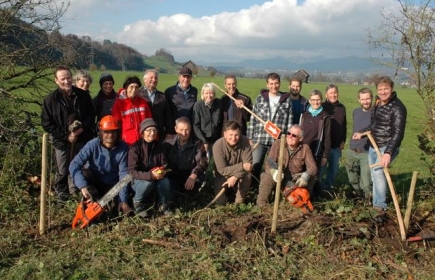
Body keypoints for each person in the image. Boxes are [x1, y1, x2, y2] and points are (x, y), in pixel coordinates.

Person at [353, 76, 407, 215]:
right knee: (374, 174)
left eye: (386, 89)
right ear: (377, 90)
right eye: (380, 89)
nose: (383, 92)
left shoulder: (398, 108)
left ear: (392, 89)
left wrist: (388, 153)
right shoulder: (378, 104)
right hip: (373, 145)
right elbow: (374, 125)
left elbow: (398, 133)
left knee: (378, 172)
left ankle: (380, 205)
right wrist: (361, 132)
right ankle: (378, 201)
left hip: (386, 146)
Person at [41, 65, 96, 201]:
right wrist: (66, 136)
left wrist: (81, 129)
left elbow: (91, 115)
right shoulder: (50, 100)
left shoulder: (83, 95)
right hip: (61, 141)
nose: (66, 81)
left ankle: (78, 192)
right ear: (56, 80)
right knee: (62, 169)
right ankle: (62, 195)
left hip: (83, 139)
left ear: (72, 78)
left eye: (68, 78)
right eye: (63, 79)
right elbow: (47, 123)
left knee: (82, 167)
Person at [69, 115, 131, 216]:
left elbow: (124, 175)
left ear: (117, 132)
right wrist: (83, 186)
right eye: (106, 132)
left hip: (113, 186)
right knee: (85, 173)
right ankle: (89, 201)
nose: (110, 135)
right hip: (94, 184)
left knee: (113, 213)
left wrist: (123, 200)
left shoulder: (123, 148)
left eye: (113, 131)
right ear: (101, 132)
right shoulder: (92, 145)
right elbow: (74, 164)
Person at [247, 72, 293, 186]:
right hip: (260, 139)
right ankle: (253, 187)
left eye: (276, 83)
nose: (274, 86)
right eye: (271, 83)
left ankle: (270, 189)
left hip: (276, 141)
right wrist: (250, 138)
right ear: (267, 84)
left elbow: (289, 122)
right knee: (256, 164)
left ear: (280, 83)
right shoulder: (260, 99)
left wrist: (287, 138)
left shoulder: (286, 100)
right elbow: (253, 119)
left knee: (274, 167)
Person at [257, 125, 317, 206]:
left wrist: (305, 177)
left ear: (301, 138)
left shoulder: (305, 148)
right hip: (278, 177)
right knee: (267, 176)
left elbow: (313, 167)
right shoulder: (278, 143)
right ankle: (261, 205)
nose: (290, 136)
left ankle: (304, 202)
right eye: (289, 133)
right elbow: (268, 163)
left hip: (294, 180)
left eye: (294, 135)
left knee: (312, 177)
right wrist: (273, 172)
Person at [128, 118, 173, 217]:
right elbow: (132, 171)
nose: (152, 133)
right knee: (148, 183)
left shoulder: (160, 146)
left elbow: (164, 164)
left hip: (156, 177)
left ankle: (163, 204)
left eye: (154, 130)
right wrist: (150, 175)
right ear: (143, 132)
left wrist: (162, 171)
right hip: (139, 180)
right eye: (149, 130)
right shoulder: (135, 148)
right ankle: (137, 203)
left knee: (165, 181)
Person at [163, 117, 208, 201]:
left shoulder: (197, 143)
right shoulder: (167, 142)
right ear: (176, 129)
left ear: (190, 129)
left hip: (189, 174)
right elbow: (163, 161)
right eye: (181, 130)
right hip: (173, 174)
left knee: (189, 195)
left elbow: (202, 162)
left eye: (187, 130)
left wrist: (194, 174)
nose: (184, 133)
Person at [212, 121, 252, 205]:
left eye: (236, 135)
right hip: (222, 175)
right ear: (225, 134)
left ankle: (239, 203)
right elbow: (222, 170)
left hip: (241, 174)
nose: (233, 138)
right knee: (221, 203)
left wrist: (235, 176)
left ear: (240, 133)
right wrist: (242, 166)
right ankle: (230, 192)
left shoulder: (245, 141)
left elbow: (248, 166)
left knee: (248, 176)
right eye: (230, 135)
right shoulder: (217, 145)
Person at [300, 90, 331, 194]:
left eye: (318, 100)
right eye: (313, 100)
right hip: (303, 150)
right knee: (302, 175)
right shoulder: (303, 115)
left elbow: (327, 137)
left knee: (314, 177)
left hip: (316, 152)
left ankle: (315, 198)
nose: (315, 102)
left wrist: (325, 155)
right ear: (309, 101)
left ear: (321, 100)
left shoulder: (325, 117)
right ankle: (301, 197)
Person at [345, 88, 373, 199]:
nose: (365, 101)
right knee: (352, 179)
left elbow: (374, 128)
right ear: (358, 100)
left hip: (366, 151)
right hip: (352, 150)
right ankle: (357, 197)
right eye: (363, 99)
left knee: (366, 182)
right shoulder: (356, 112)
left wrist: (362, 134)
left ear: (371, 98)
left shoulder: (375, 113)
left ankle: (368, 201)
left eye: (367, 99)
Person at [112, 76, 152, 146]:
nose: (134, 90)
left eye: (136, 87)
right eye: (131, 87)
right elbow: (116, 125)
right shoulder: (118, 104)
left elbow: (149, 121)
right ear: (126, 88)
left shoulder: (143, 102)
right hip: (127, 142)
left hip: (143, 141)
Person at [321, 84, 347, 190]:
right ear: (326, 94)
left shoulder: (341, 108)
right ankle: (318, 190)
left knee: (333, 171)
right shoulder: (322, 107)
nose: (333, 95)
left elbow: (344, 126)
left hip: (336, 147)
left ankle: (329, 190)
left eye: (335, 92)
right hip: (323, 147)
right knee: (320, 171)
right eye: (331, 93)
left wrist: (343, 142)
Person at [139, 69, 174, 141]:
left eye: (156, 78)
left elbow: (168, 117)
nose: (154, 80)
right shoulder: (138, 95)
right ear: (144, 79)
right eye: (151, 77)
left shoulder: (162, 96)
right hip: (142, 134)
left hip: (159, 134)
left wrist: (169, 136)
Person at [193, 83, 223, 156]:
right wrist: (204, 141)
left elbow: (222, 121)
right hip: (202, 138)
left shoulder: (219, 103)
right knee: (203, 159)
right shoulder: (198, 105)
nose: (209, 96)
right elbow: (195, 125)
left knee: (215, 159)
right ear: (203, 94)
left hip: (216, 138)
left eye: (211, 93)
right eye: (206, 93)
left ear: (214, 94)